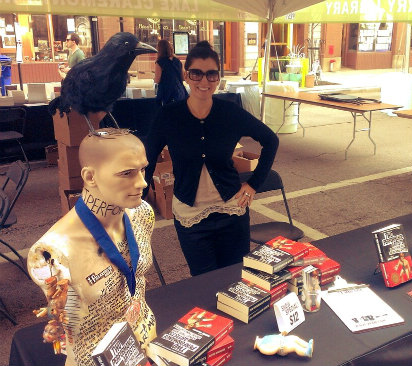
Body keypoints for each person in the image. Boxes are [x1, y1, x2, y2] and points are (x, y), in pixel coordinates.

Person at [145, 41, 279, 276]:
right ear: (186, 76)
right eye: (196, 74)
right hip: (190, 216)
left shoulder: (230, 113)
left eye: (211, 75)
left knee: (235, 277)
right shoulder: (169, 116)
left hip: (232, 211)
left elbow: (271, 140)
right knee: (204, 282)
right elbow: (147, 157)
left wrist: (253, 184)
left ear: (218, 78)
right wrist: (140, 200)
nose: (204, 82)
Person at [28, 128, 157, 366]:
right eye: (127, 173)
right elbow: (61, 322)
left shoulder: (142, 214)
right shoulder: (51, 252)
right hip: (95, 357)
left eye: (142, 169)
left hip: (144, 337)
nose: (142, 182)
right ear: (90, 177)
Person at [154, 39, 188, 105]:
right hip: (179, 91)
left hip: (166, 93)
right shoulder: (177, 61)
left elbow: (157, 80)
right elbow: (183, 77)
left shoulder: (160, 62)